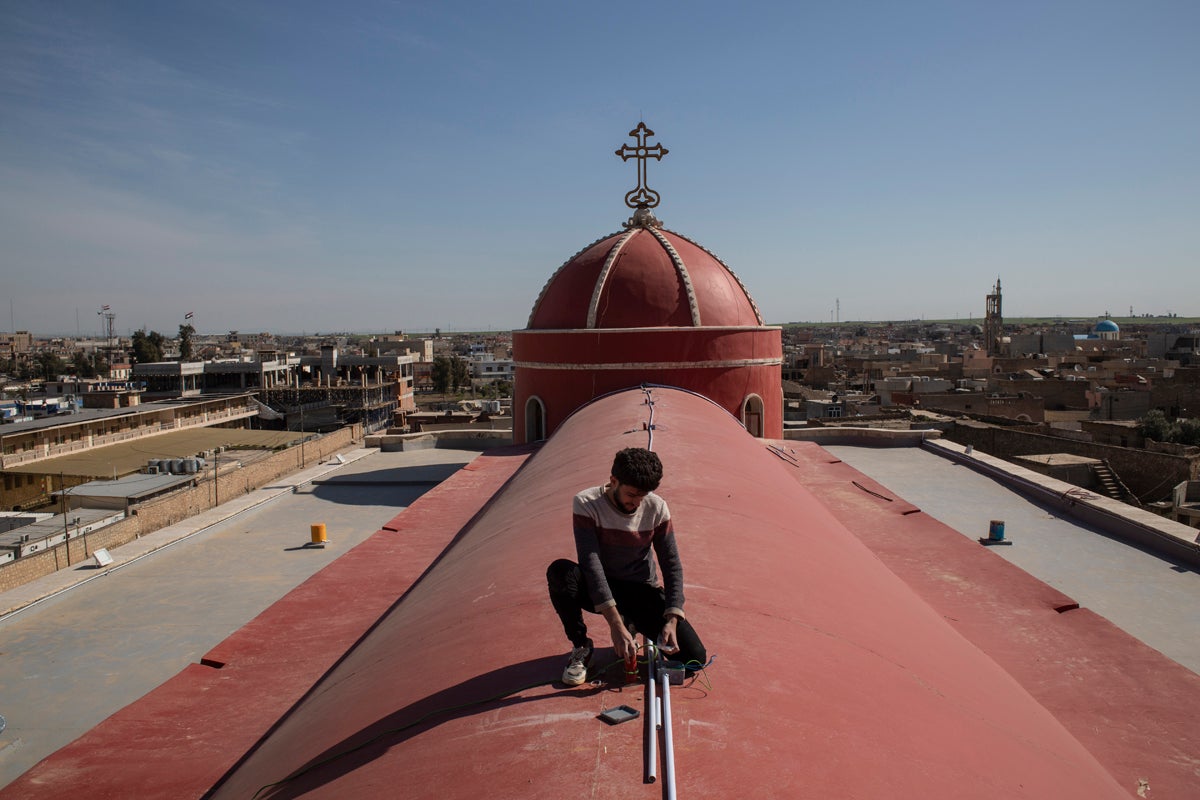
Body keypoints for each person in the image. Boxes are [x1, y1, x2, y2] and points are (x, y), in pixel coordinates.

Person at [546, 447, 706, 686]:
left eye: (642, 497)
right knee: (560, 572)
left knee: (694, 659)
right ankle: (581, 646)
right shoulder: (586, 503)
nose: (636, 503)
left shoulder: (657, 507)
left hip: (639, 589)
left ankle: (632, 620)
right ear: (614, 481)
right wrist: (615, 626)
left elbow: (671, 565)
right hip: (599, 585)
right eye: (632, 495)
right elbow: (591, 564)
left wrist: (672, 618)